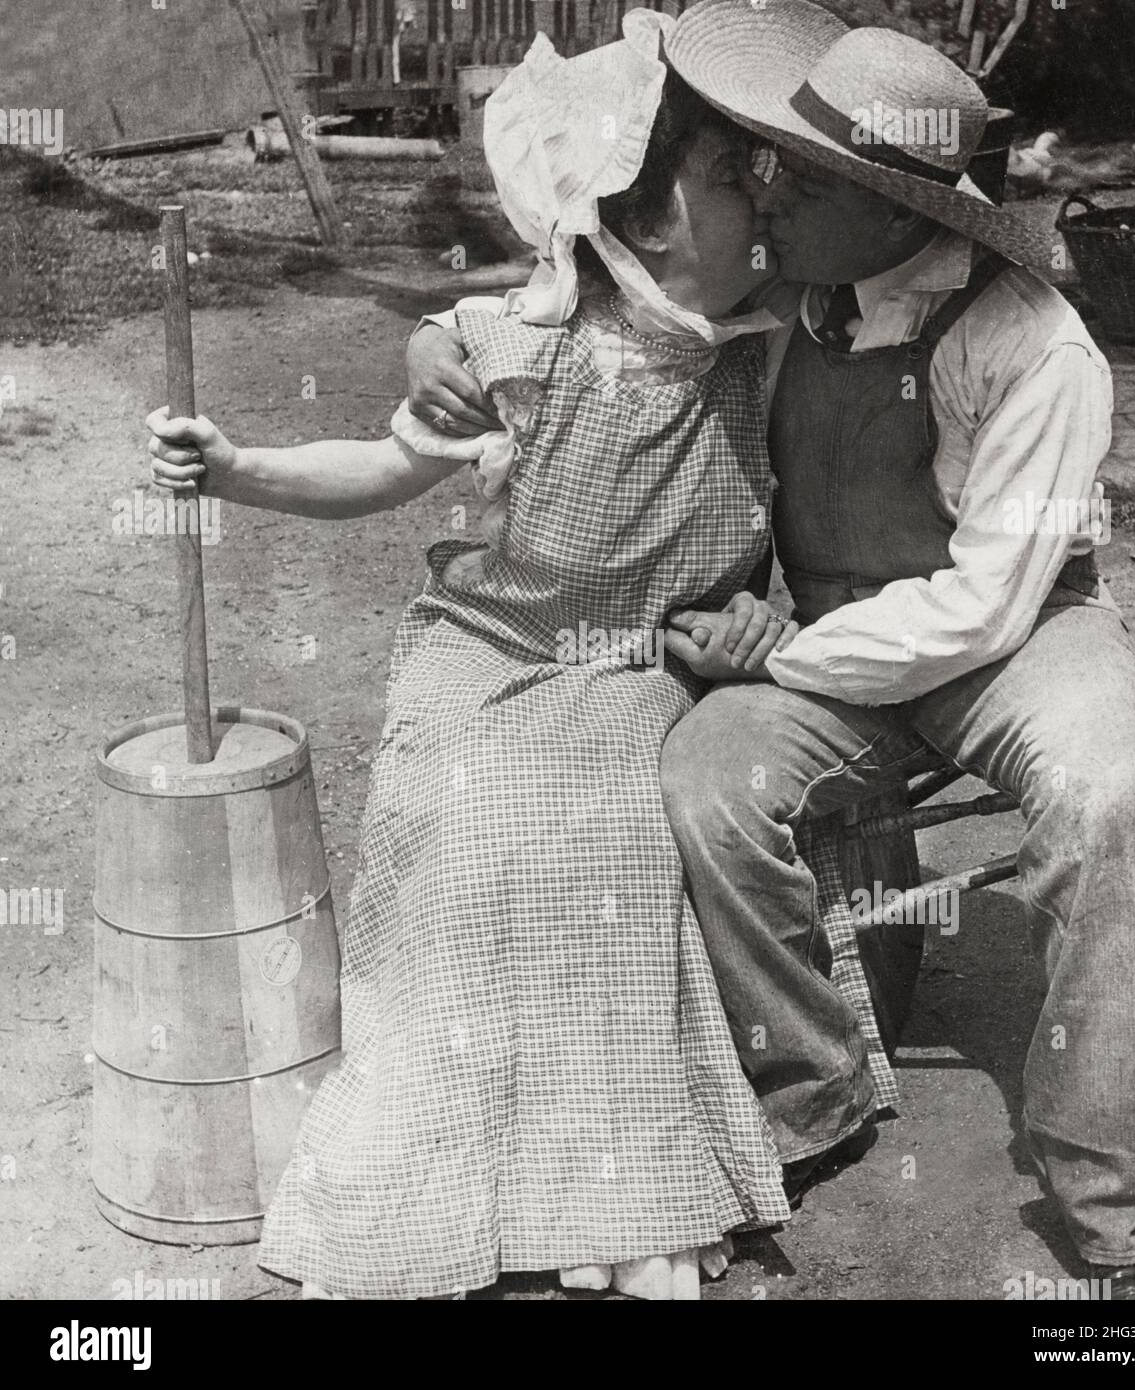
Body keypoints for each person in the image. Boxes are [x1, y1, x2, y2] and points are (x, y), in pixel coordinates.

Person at [411, 0, 1135, 1301]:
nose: (763, 185)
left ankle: (1119, 1227)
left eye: (800, 174)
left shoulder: (1038, 351)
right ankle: (812, 1088)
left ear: (894, 209)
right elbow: (586, 283)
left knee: (1107, 802)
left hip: (1016, 637)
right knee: (700, 783)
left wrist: (778, 654)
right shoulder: (800, 271)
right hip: (832, 630)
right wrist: (449, 334)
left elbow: (985, 607)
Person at [144, 11, 801, 1300]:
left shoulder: (776, 346)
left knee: (611, 832)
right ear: (645, 215)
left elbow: (814, 529)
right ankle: (452, 1157)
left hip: (634, 670)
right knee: (474, 816)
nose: (762, 196)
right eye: (731, 176)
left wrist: (767, 627)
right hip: (493, 650)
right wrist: (237, 467)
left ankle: (615, 1192)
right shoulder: (513, 345)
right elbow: (382, 471)